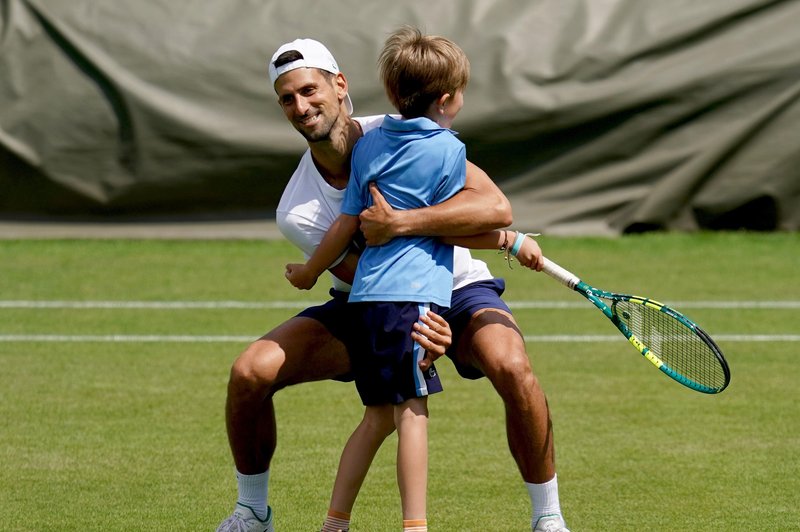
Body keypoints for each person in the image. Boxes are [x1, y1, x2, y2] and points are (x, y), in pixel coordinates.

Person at [216, 35, 570, 532]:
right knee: (251, 371)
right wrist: (419, 322)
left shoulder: (405, 130)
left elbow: (494, 206)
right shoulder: (296, 210)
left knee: (511, 365)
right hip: (373, 302)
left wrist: (407, 226)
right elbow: (364, 275)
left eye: (309, 90)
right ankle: (254, 512)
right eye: (287, 98)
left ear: (340, 86)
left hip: (460, 287)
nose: (300, 106)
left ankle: (547, 516)